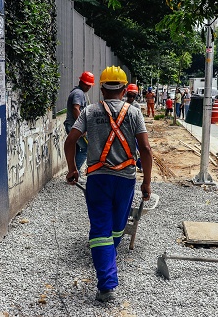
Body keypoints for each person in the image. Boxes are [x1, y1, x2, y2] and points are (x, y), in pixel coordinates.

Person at [64, 66, 153, 302]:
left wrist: (73, 169)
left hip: (98, 179)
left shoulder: (90, 111)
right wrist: (147, 183)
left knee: (102, 228)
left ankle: (106, 274)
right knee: (115, 227)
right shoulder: (134, 113)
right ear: (124, 90)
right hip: (125, 180)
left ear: (101, 89)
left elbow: (70, 140)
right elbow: (144, 148)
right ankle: (107, 279)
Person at [64, 71, 94, 173]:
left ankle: (73, 172)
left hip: (71, 125)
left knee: (77, 149)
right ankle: (75, 173)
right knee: (85, 149)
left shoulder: (76, 91)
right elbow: (76, 108)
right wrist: (82, 127)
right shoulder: (79, 93)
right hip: (74, 126)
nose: (89, 88)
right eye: (88, 85)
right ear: (83, 83)